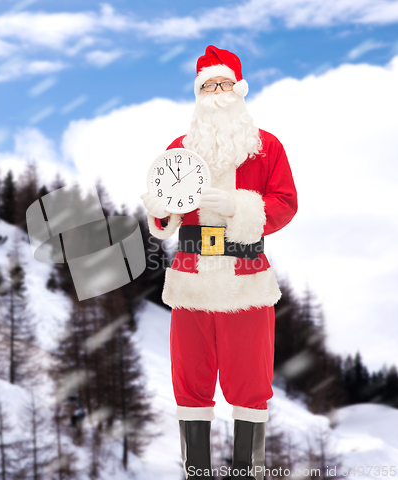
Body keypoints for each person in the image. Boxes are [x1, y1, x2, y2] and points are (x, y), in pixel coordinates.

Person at [141, 45, 297, 479]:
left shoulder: (267, 147)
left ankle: (248, 473)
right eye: (208, 85)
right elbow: (162, 215)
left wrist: (233, 205)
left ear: (239, 90)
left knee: (249, 386)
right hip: (191, 279)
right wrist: (161, 206)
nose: (217, 92)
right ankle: (197, 473)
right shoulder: (178, 149)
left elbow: (285, 203)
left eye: (224, 84)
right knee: (190, 384)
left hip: (246, 279)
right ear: (199, 94)